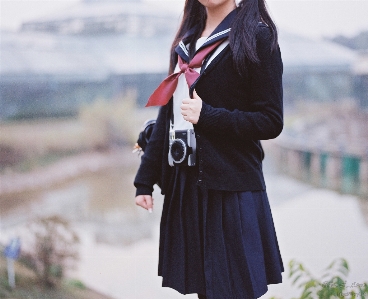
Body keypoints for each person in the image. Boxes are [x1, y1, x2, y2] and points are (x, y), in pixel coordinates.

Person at [134, 0, 284, 298]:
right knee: (205, 289)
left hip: (231, 186)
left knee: (234, 290)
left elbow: (270, 121)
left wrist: (208, 116)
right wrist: (144, 180)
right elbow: (168, 115)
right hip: (188, 185)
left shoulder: (256, 36)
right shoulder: (185, 44)